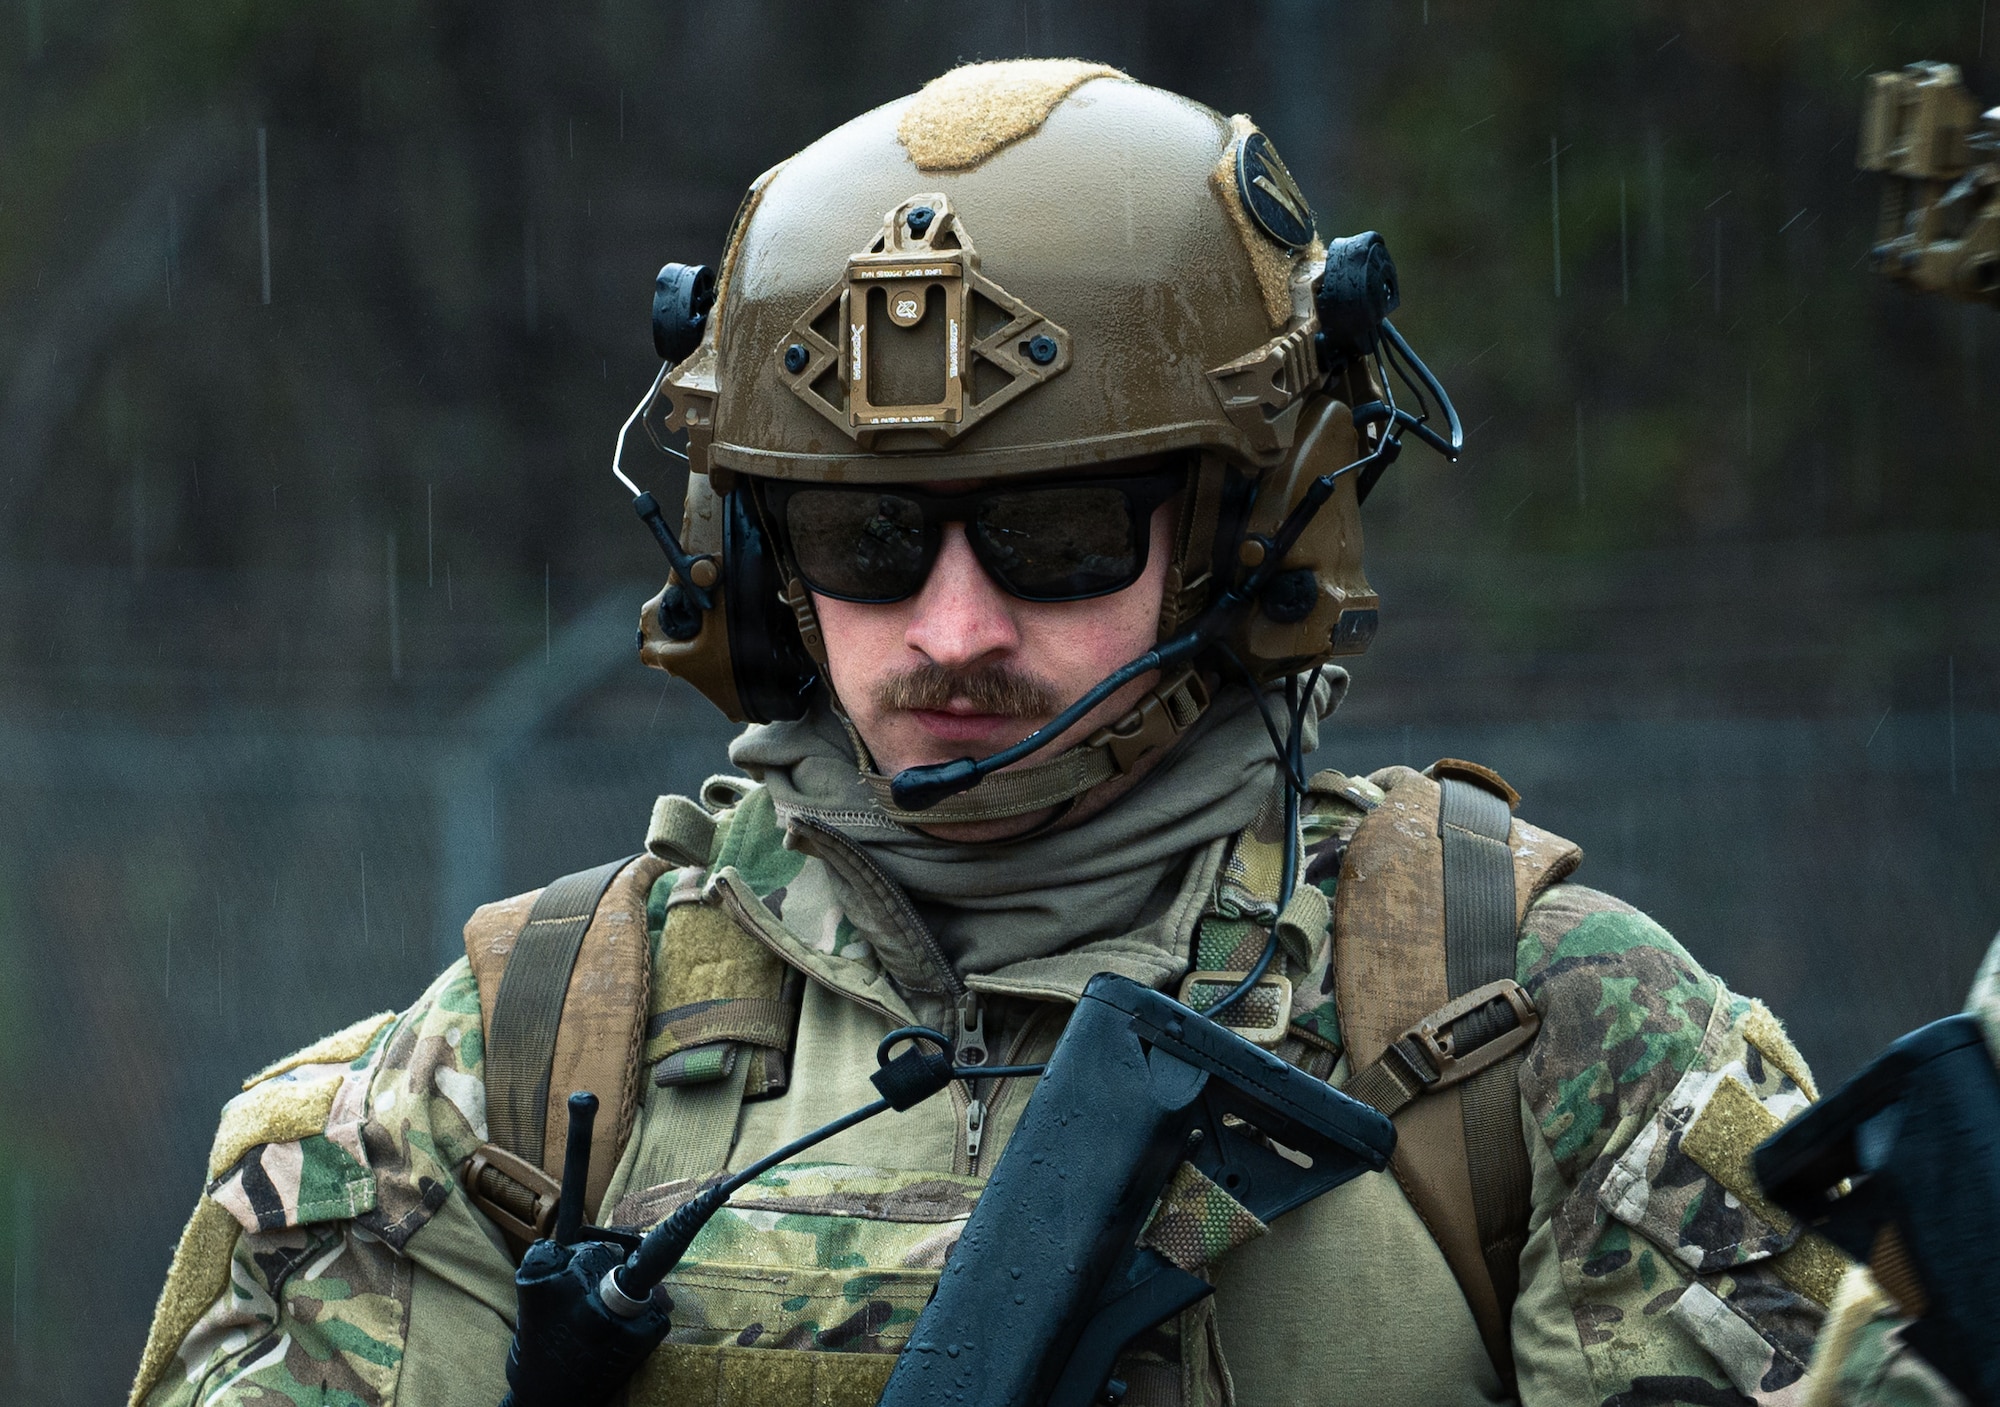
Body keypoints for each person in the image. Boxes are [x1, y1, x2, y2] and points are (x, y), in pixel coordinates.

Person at [130, 61, 1836, 1407]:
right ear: (757, 564)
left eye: (1060, 534)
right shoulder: (514, 1061)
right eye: (868, 541)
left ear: (1243, 533)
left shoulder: (1532, 1031)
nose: (952, 628)